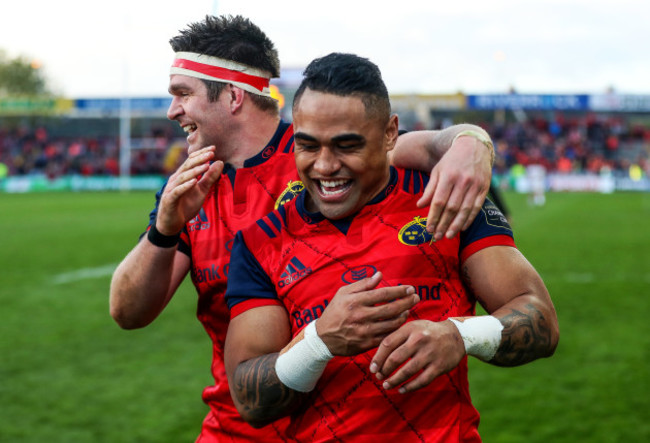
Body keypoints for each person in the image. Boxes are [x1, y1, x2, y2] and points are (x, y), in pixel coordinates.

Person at [109, 15, 495, 442]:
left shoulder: (323, 157)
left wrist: (472, 140)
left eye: (183, 94)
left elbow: (414, 143)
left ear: (234, 96)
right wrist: (164, 229)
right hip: (236, 424)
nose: (172, 110)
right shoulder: (190, 188)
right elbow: (127, 313)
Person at [223, 52, 559, 442]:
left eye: (346, 145)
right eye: (308, 145)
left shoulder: (442, 201)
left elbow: (542, 322)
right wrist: (319, 342)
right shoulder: (260, 242)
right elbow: (250, 401)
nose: (325, 165)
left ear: (389, 134)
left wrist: (459, 335)